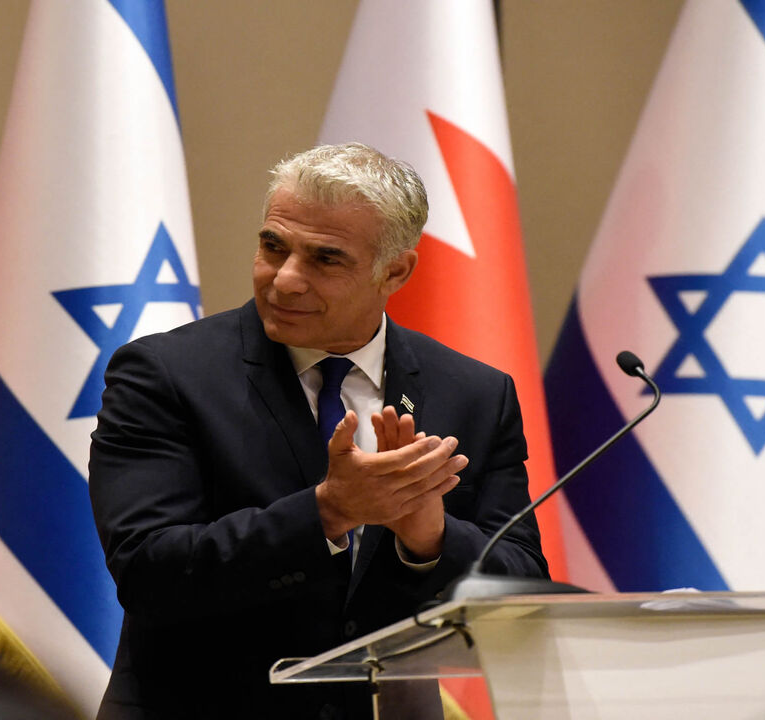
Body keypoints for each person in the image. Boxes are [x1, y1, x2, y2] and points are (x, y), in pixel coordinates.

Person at [88, 143, 548, 719]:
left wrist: (430, 539)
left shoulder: (474, 393)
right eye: (272, 247)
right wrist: (327, 512)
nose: (284, 281)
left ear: (396, 270)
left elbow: (523, 588)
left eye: (325, 260)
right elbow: (148, 570)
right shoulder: (166, 375)